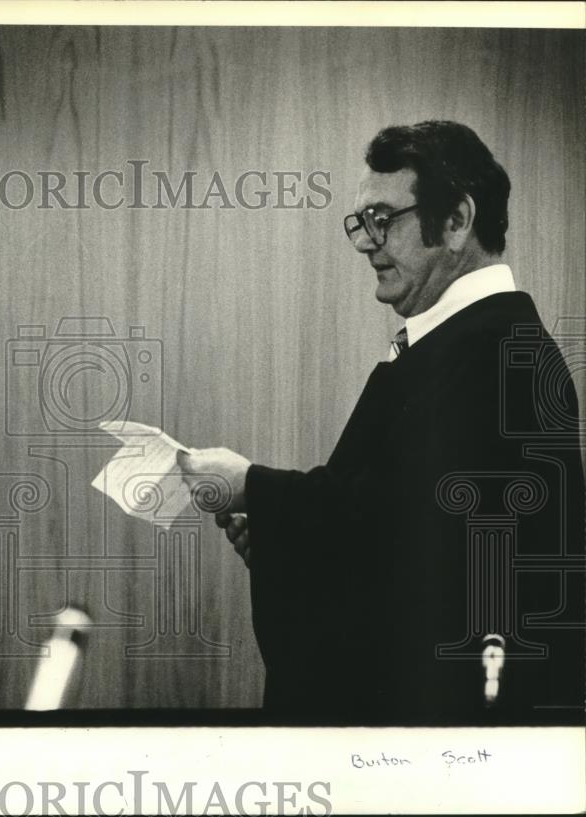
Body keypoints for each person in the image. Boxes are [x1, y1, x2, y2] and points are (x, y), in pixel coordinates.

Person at [178, 121, 584, 724]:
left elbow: (412, 538)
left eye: (382, 219)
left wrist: (254, 487)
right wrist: (282, 540)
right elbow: (398, 533)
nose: (367, 243)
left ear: (456, 221)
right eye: (359, 224)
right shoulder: (471, 345)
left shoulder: (498, 354)